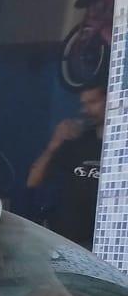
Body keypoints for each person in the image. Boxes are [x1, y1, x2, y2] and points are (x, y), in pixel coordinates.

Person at [28, 81, 108, 250]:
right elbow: (33, 181)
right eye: (83, 104)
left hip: (96, 245)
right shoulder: (77, 143)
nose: (86, 110)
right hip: (62, 240)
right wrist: (55, 143)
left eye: (93, 102)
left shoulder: (118, 146)